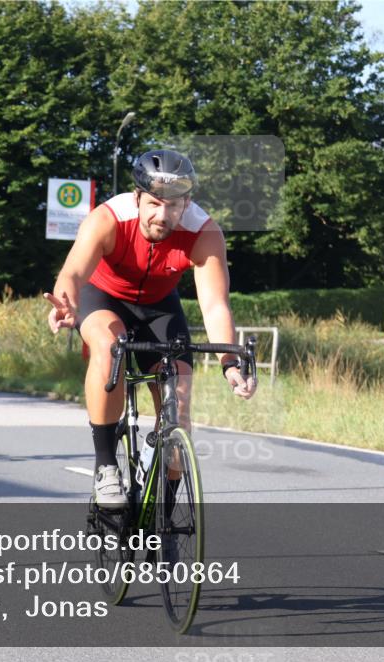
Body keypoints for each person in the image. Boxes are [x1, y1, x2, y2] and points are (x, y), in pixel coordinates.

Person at [44, 149, 257, 509]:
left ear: (187, 202)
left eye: (173, 206)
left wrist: (229, 362)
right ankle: (106, 466)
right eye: (155, 203)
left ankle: (165, 519)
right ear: (138, 197)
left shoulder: (203, 232)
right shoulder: (109, 218)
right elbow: (74, 272)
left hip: (159, 308)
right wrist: (67, 304)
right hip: (104, 297)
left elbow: (214, 304)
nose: (163, 215)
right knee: (110, 346)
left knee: (180, 408)